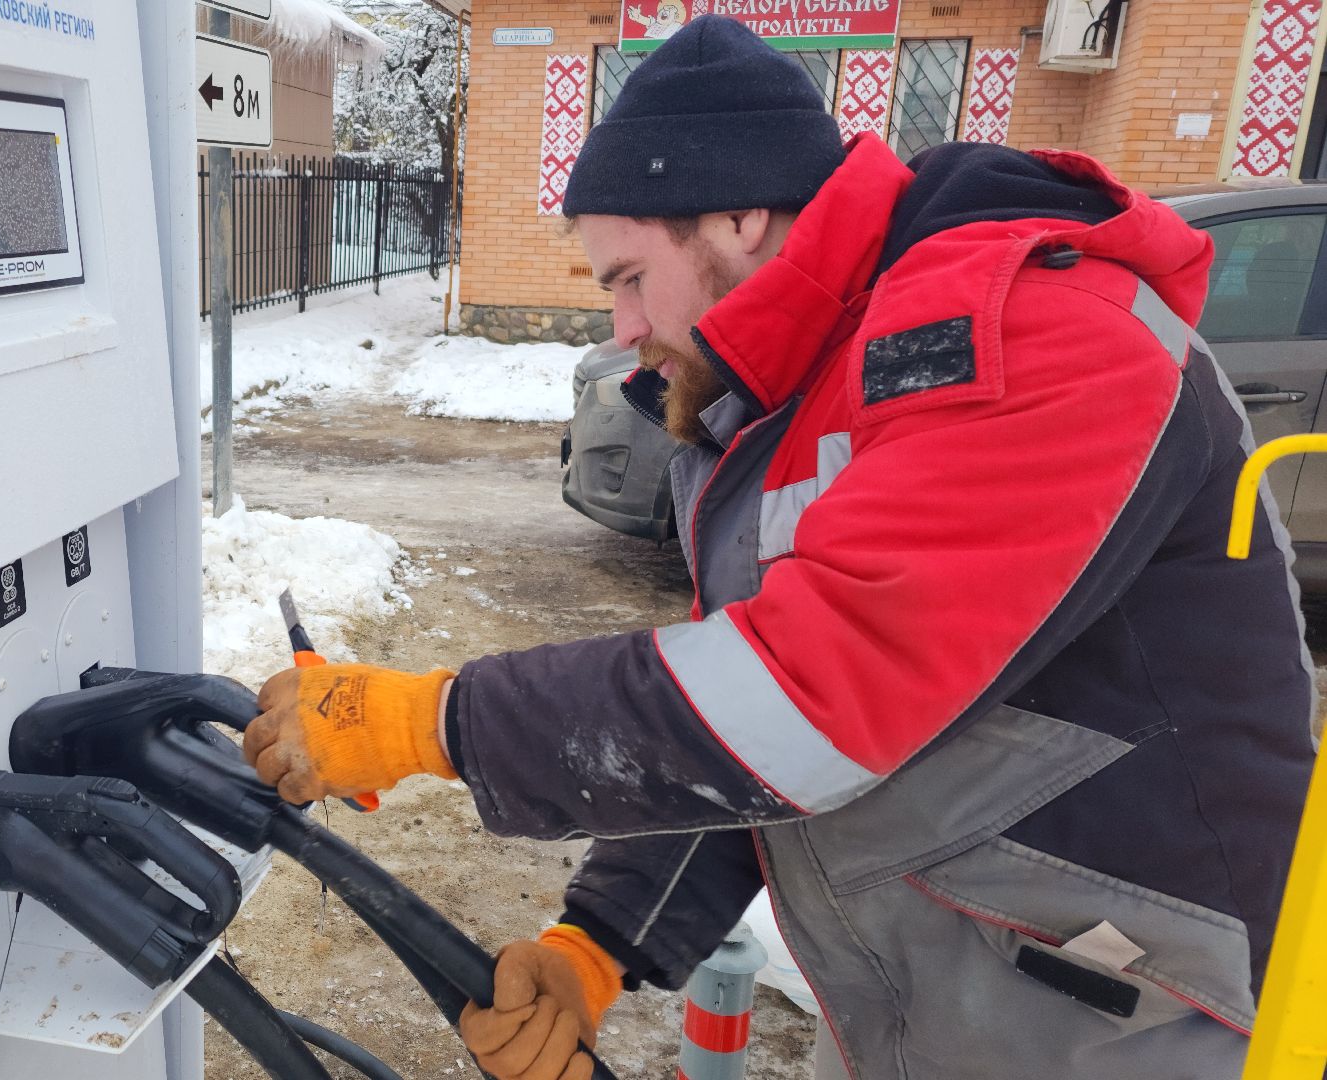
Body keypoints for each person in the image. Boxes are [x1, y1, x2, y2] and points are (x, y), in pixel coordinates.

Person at [242, 17, 1318, 1080]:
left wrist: (434, 720)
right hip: (983, 991)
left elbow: (810, 697)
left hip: (1141, 1017)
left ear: (739, 216)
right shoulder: (805, 389)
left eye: (624, 276)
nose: (620, 326)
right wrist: (599, 942)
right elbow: (752, 746)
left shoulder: (1031, 333)